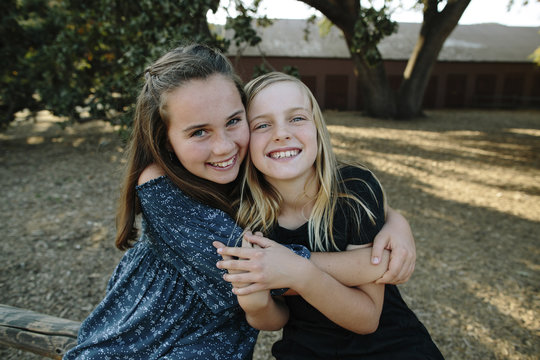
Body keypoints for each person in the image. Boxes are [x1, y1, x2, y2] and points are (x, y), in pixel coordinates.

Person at [64, 44, 415, 359]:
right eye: (199, 131)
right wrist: (378, 262)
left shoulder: (250, 183)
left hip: (216, 345)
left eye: (234, 122)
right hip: (137, 344)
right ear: (165, 140)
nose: (224, 147)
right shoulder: (160, 183)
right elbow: (261, 267)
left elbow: (348, 203)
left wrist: (397, 223)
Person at [215, 72, 444, 359]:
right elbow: (276, 320)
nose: (281, 133)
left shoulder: (352, 191)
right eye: (262, 124)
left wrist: (298, 270)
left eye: (297, 118)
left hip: (392, 348)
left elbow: (367, 319)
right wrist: (256, 306)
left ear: (317, 129)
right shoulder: (245, 215)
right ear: (246, 140)